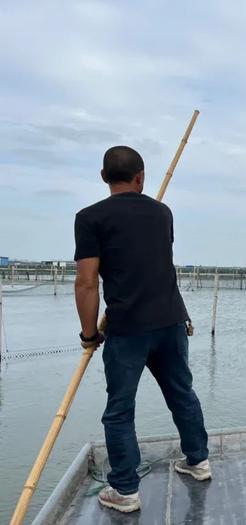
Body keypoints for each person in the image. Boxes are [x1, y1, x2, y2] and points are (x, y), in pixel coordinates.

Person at [73, 146, 210, 513]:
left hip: (129, 328)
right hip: (171, 322)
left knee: (119, 411)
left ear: (104, 178)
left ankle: (125, 491)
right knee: (182, 393)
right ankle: (198, 461)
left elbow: (87, 283)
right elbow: (149, 261)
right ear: (141, 177)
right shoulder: (162, 213)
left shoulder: (89, 218)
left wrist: (89, 334)